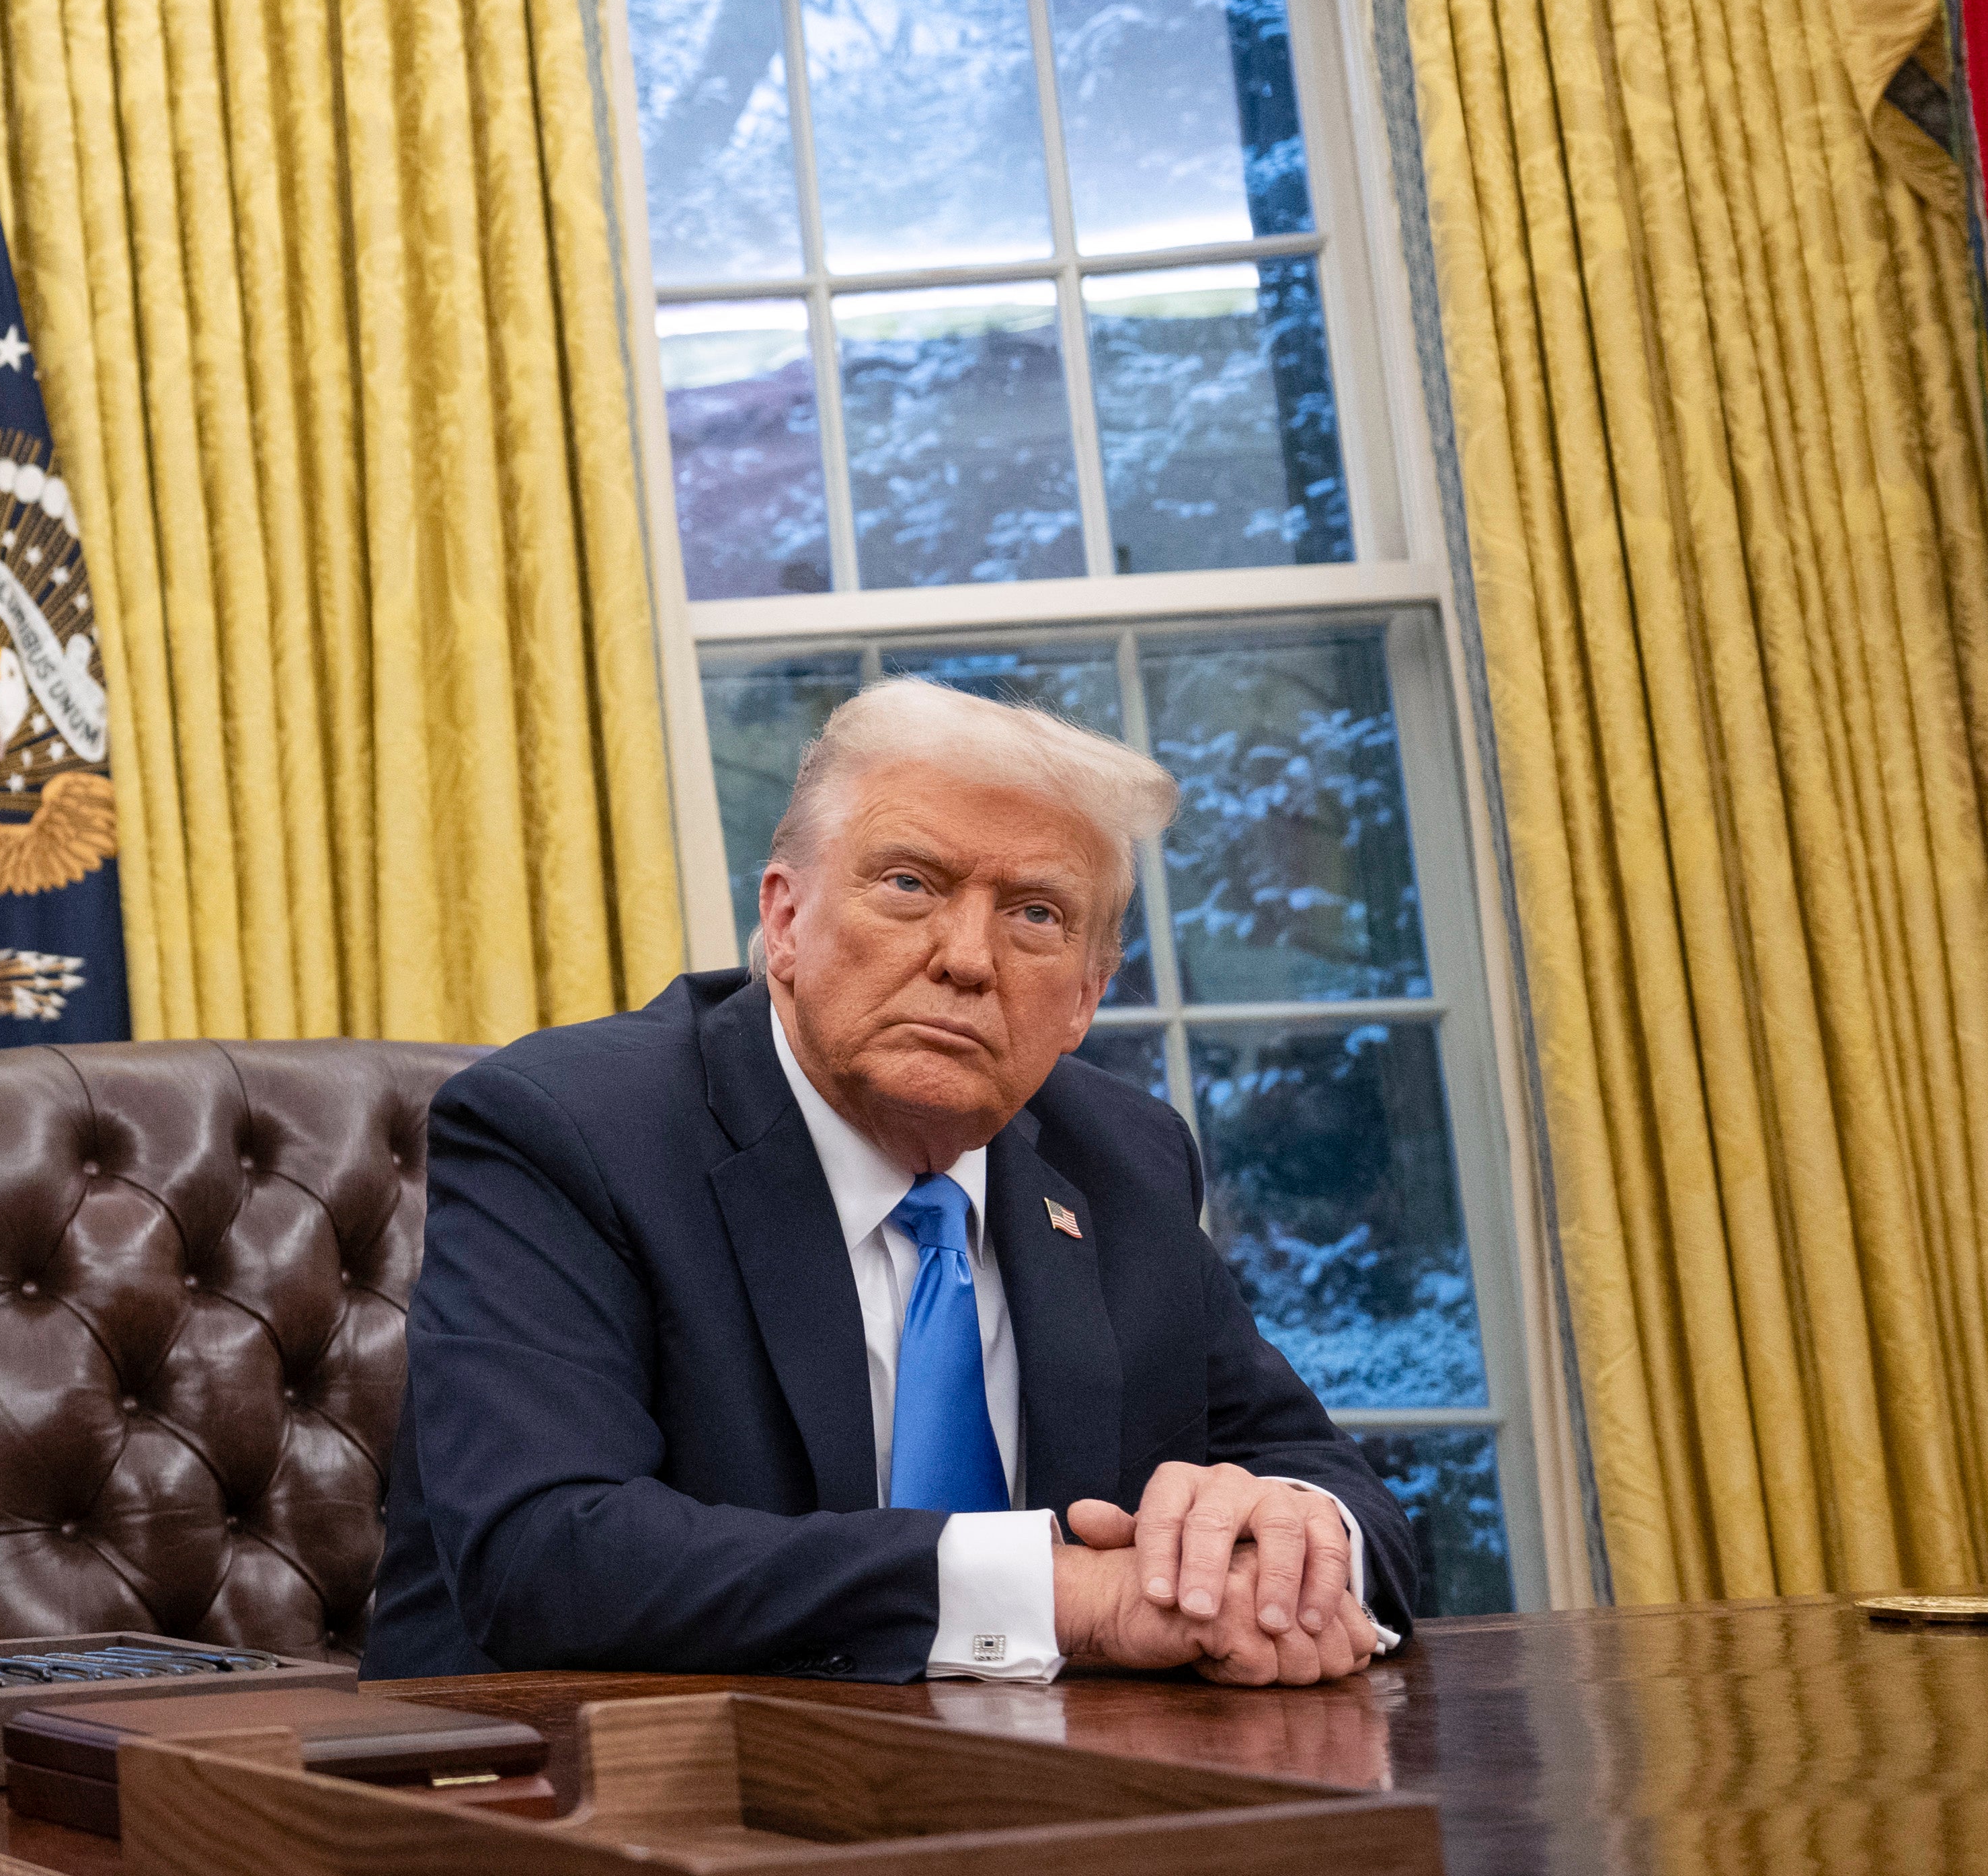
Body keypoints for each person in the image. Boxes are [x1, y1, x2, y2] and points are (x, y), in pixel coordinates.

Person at [362, 679, 1419, 1687]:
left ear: (1088, 998)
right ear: (784, 921)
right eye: (910, 884)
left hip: (1044, 1811)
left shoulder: (1120, 1160)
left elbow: (1337, 1491)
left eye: (1037, 916)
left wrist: (1287, 1552)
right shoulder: (567, 1130)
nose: (968, 958)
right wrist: (1064, 1597)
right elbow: (548, 1555)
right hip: (580, 1805)